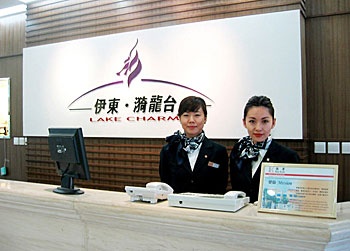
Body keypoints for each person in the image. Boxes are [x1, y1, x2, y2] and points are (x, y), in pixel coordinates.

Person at [229, 95, 300, 203]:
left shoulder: (288, 156)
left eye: (265, 121)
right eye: (252, 121)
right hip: (241, 214)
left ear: (273, 122)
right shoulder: (239, 150)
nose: (258, 128)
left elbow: (291, 197)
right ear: (244, 122)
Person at [159, 96, 228, 194]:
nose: (191, 120)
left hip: (208, 207)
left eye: (197, 115)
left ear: (205, 119)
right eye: (186, 115)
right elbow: (165, 186)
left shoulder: (218, 151)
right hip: (176, 206)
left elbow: (221, 187)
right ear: (179, 118)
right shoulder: (168, 151)